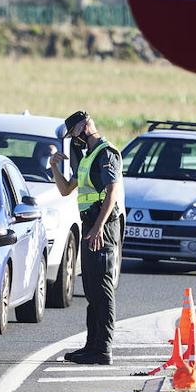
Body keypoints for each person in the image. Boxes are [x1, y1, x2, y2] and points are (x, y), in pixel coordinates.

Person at [49, 110, 123, 365]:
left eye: (74, 133)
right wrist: (54, 167)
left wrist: (99, 227)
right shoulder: (86, 155)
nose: (73, 140)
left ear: (85, 126)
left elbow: (112, 191)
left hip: (102, 227)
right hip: (90, 225)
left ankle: (103, 349)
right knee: (91, 288)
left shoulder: (105, 153)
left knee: (102, 289)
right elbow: (65, 189)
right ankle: (92, 346)